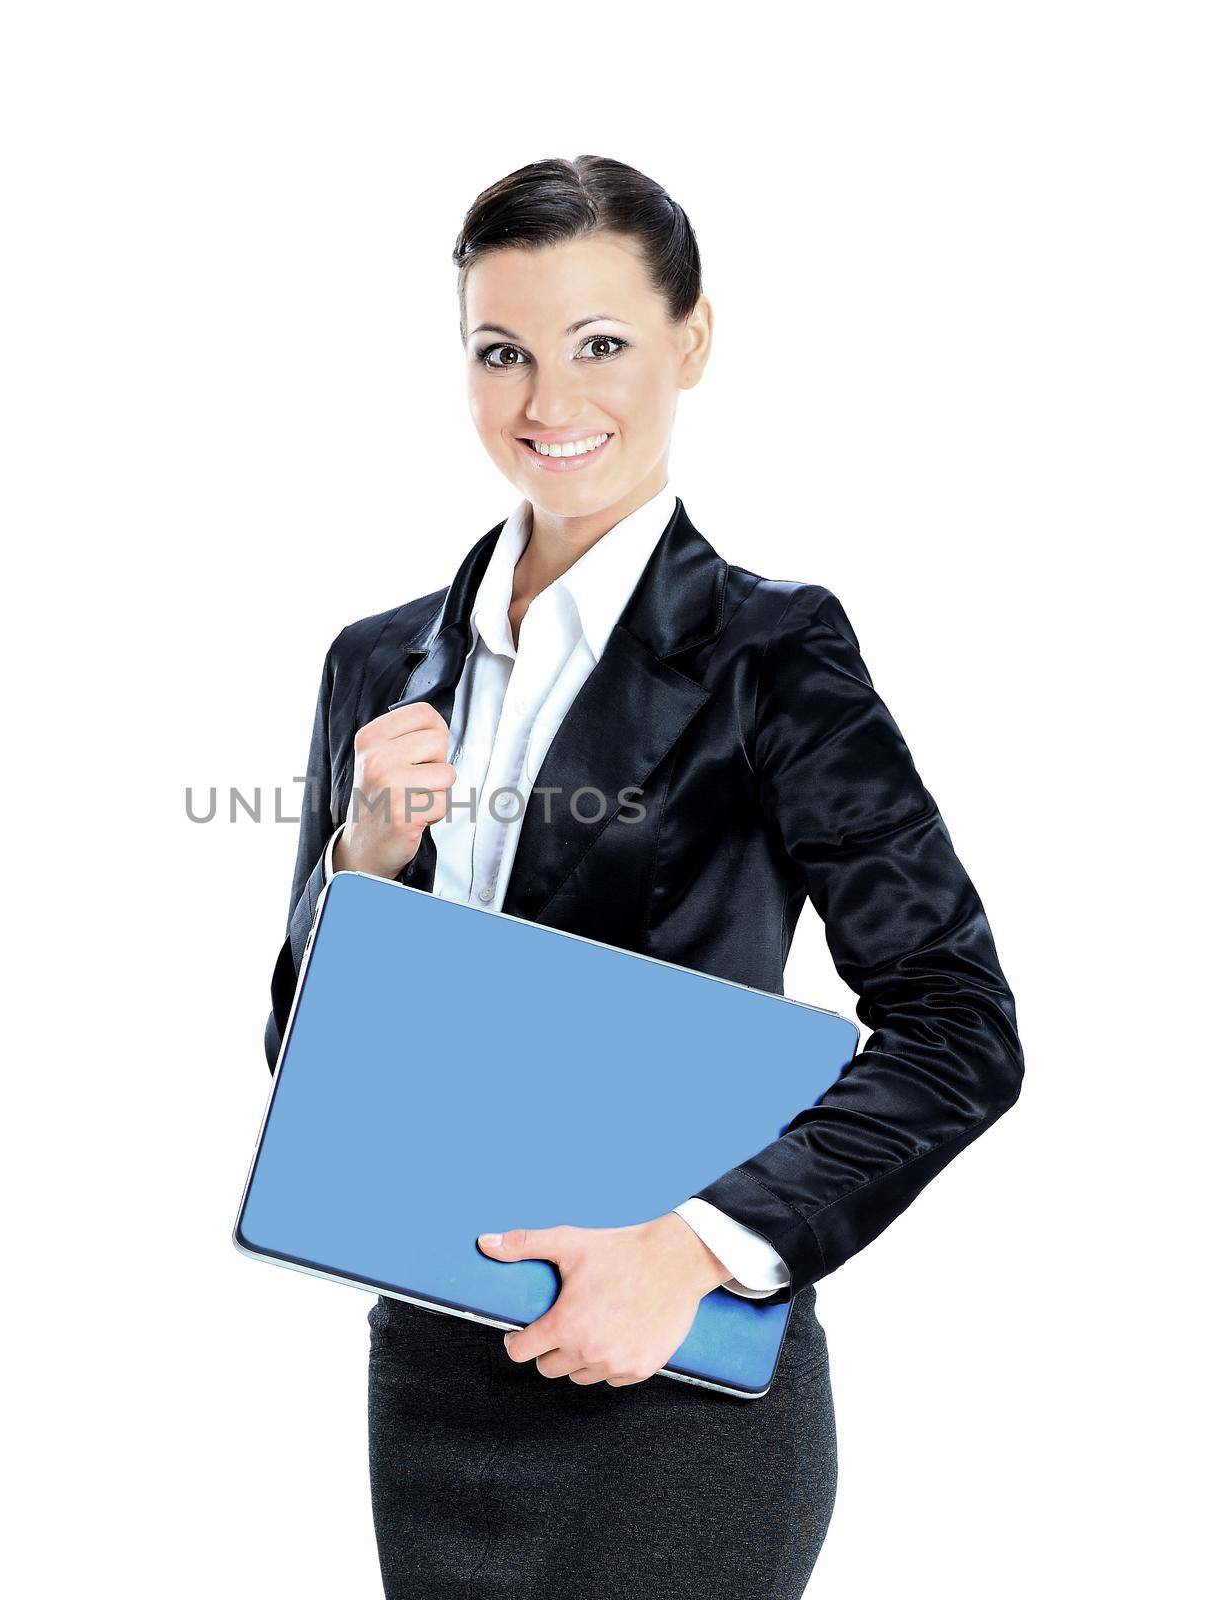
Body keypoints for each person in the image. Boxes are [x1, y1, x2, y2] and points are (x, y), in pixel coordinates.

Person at [260, 155, 1024, 1599]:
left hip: (675, 1388)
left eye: (600, 344)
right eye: (504, 353)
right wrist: (364, 868)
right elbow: (303, 1069)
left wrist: (695, 1252)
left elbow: (957, 1026)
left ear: (693, 342)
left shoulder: (773, 657)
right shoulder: (379, 664)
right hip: (435, 1372)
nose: (551, 403)